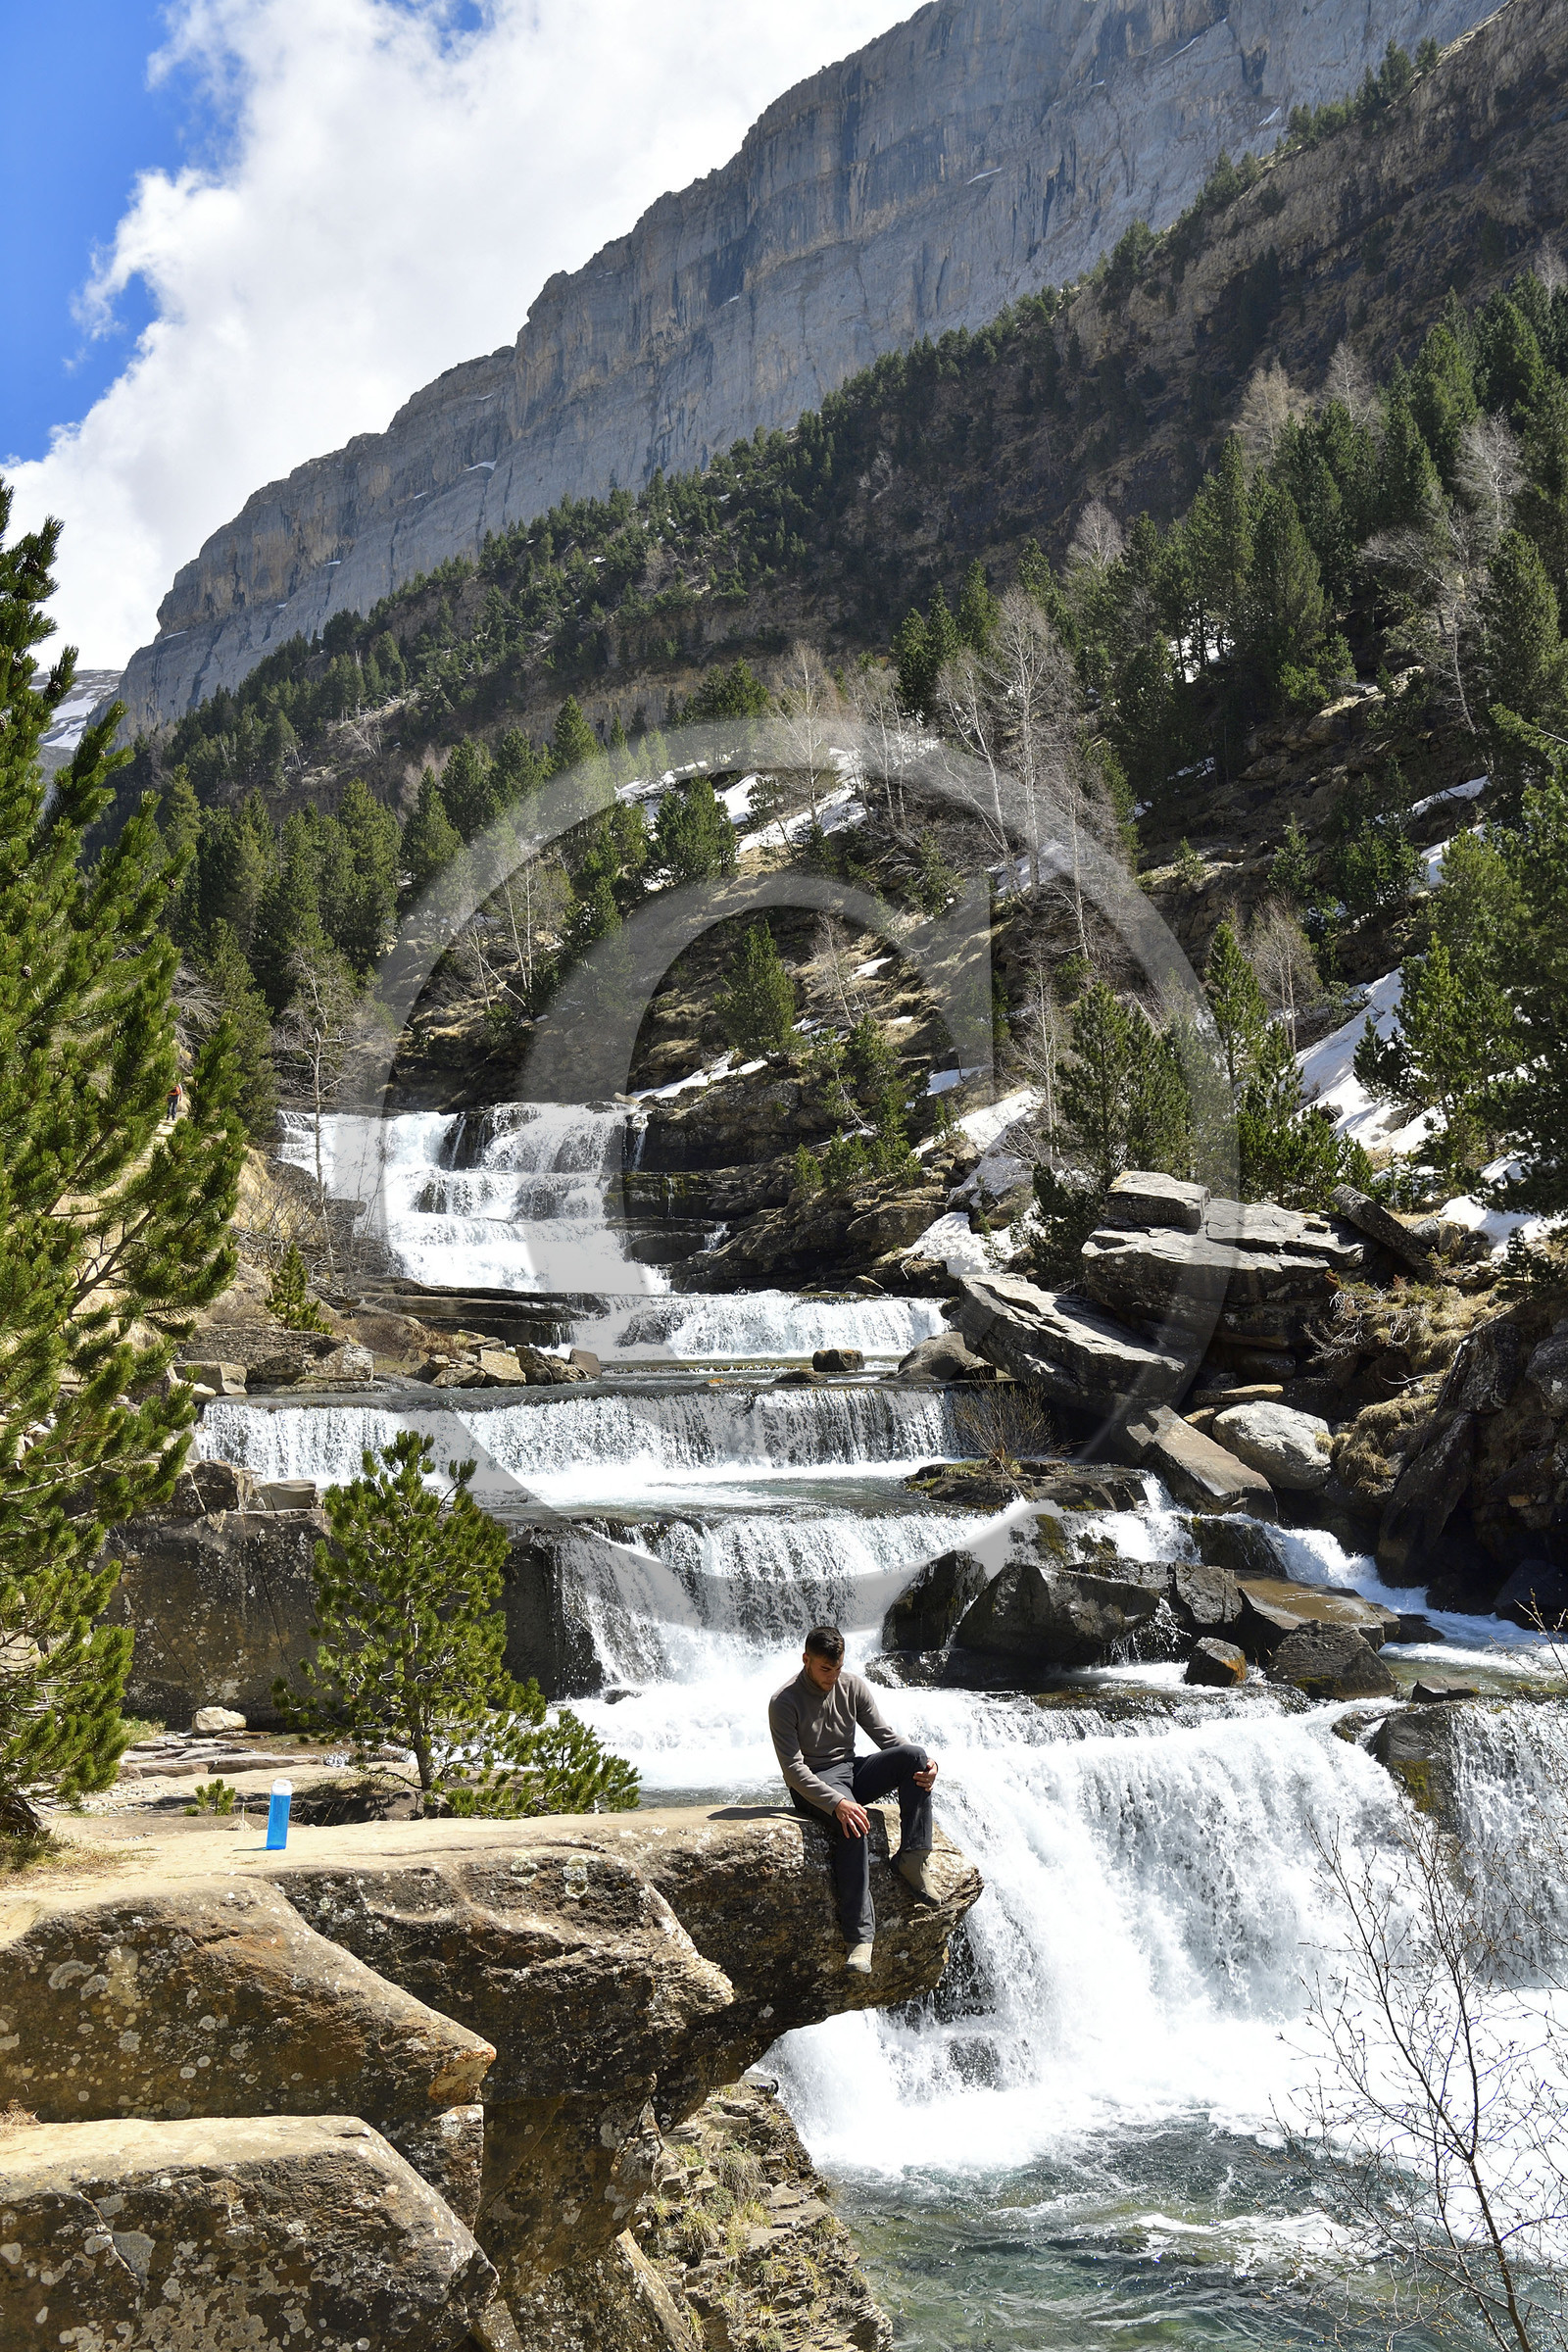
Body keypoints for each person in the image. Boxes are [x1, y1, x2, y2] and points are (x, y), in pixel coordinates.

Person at [768, 1624, 939, 1976]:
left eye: (837, 1668)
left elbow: (887, 1737)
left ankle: (913, 1859)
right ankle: (859, 1938)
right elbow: (793, 1771)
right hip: (813, 1785)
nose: (832, 1676)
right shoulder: (784, 1702)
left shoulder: (851, 1685)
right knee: (854, 1823)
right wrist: (836, 1804)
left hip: (850, 1771)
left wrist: (927, 1766)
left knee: (915, 1758)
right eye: (824, 1669)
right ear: (806, 1660)